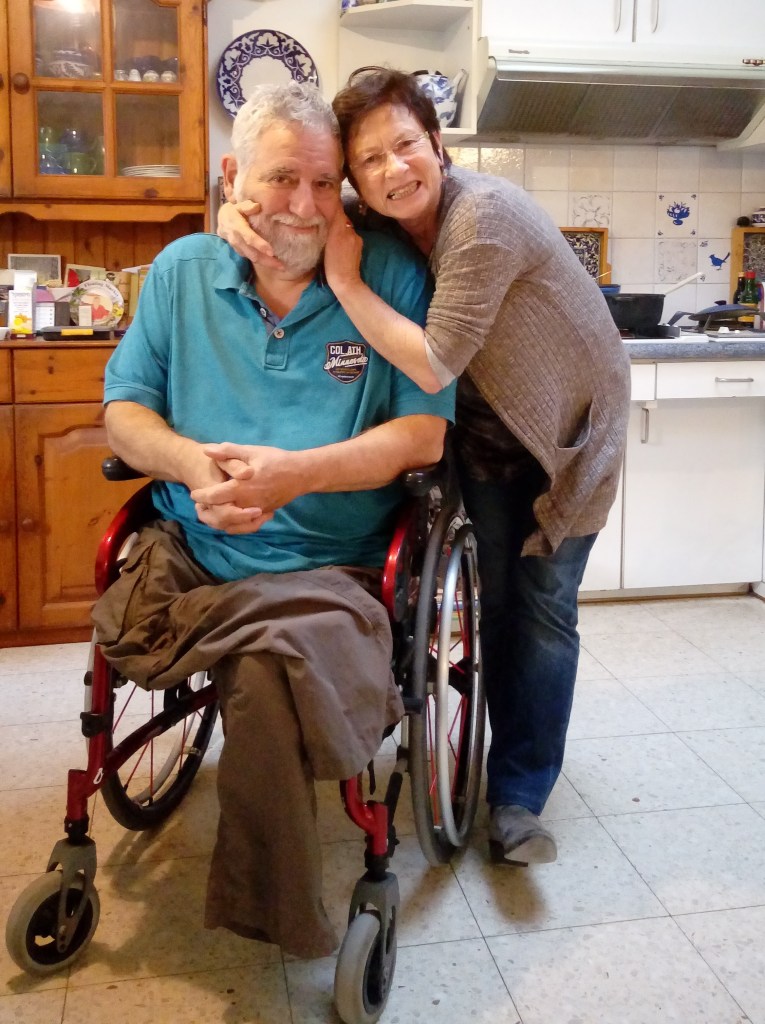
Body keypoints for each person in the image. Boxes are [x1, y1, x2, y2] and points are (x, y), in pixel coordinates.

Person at [217, 66, 632, 868]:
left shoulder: (483, 217)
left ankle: (518, 797)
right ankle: (494, 762)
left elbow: (435, 361)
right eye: (368, 160)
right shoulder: (377, 215)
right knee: (494, 605)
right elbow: (288, 203)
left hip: (565, 433)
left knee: (543, 608)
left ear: (437, 144)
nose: (392, 169)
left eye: (404, 145)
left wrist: (343, 279)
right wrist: (232, 208)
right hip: (482, 428)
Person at [91, 81, 455, 959]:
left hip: (332, 566)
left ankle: (274, 913)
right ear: (233, 177)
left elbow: (423, 434)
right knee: (220, 636)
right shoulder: (183, 271)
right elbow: (123, 411)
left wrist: (293, 478)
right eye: (282, 178)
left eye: (325, 183)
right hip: (194, 550)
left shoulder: (387, 273)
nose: (303, 204)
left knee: (263, 670)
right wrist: (193, 465)